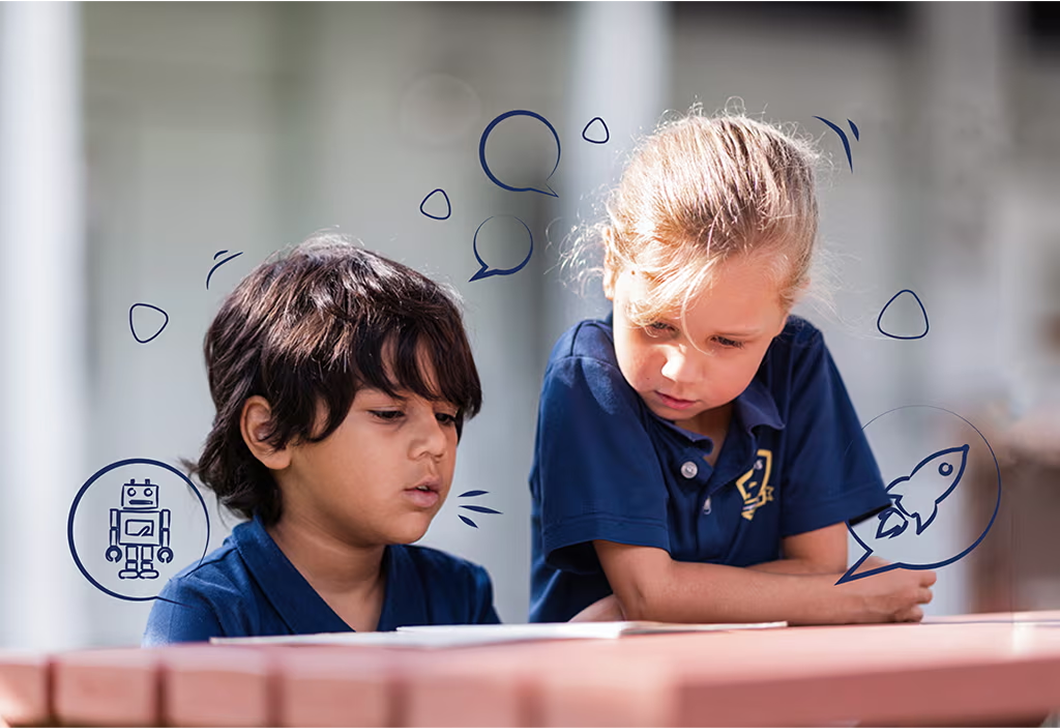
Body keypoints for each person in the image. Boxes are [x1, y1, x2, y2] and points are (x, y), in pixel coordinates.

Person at [529, 111, 936, 626]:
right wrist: (851, 597)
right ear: (613, 266)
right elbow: (651, 598)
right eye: (657, 325)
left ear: (784, 311)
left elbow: (821, 564)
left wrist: (683, 594)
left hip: (763, 688)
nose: (680, 370)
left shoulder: (797, 360)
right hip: (606, 697)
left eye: (726, 341)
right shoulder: (586, 376)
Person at [144, 234, 500, 644]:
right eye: (389, 414)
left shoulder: (460, 597)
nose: (436, 443)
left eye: (446, 417)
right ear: (270, 435)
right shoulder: (208, 612)